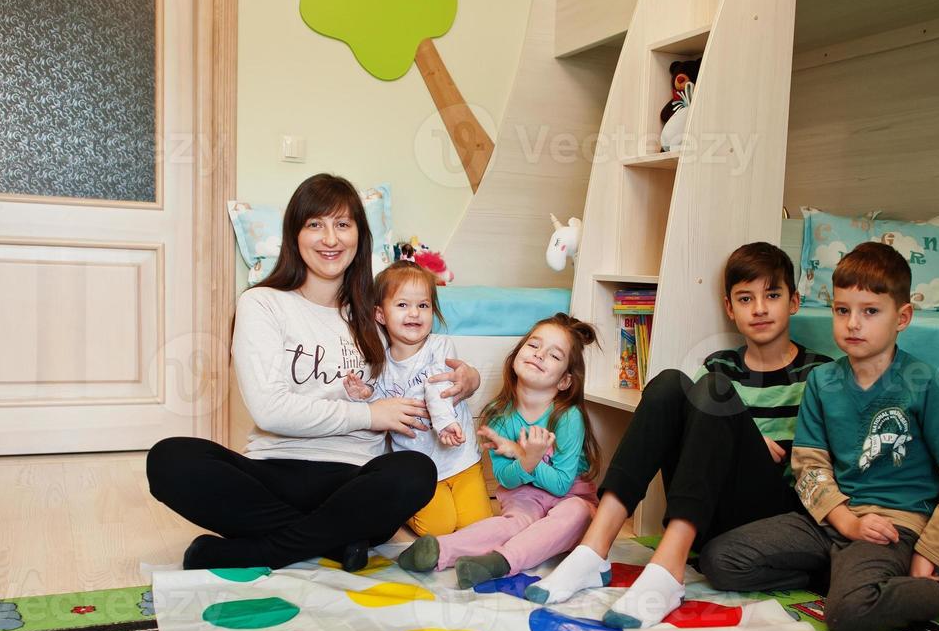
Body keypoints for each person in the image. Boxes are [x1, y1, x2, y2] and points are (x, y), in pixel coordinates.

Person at [699, 241, 939, 631]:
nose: (853, 324)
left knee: (849, 614)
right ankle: (843, 573)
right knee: (719, 559)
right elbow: (809, 466)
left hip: (889, 528)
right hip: (830, 519)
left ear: (903, 316)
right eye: (842, 311)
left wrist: (929, 554)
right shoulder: (823, 381)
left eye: (870, 312)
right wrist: (843, 520)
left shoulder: (921, 382)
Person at [146, 173, 478, 571]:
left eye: (342, 224)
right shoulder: (262, 304)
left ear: (359, 236)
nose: (330, 239)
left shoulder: (375, 314)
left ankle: (261, 551)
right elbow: (270, 410)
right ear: (295, 234)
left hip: (355, 481)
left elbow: (423, 357)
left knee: (414, 473)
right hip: (273, 470)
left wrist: (469, 378)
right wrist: (371, 414)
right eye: (315, 224)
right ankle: (333, 542)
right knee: (170, 459)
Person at [525, 242, 832, 628]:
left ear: (794, 302)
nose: (759, 308)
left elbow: (826, 457)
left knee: (715, 390)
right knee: (670, 383)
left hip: (773, 512)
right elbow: (699, 440)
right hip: (709, 508)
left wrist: (751, 441)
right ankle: (594, 549)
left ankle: (667, 572)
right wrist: (740, 433)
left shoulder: (820, 374)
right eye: (745, 298)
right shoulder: (720, 365)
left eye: (772, 295)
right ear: (729, 307)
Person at [396, 313, 601, 589]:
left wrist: (523, 455)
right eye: (533, 345)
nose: (539, 355)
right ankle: (439, 550)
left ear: (565, 381)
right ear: (517, 353)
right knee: (513, 523)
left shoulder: (567, 416)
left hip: (569, 496)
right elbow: (506, 480)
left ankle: (501, 561)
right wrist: (524, 462)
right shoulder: (498, 416)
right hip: (524, 496)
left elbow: (562, 485)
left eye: (554, 355)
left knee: (576, 513)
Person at [343, 260, 492, 538]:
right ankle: (403, 510)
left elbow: (439, 387)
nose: (414, 313)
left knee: (478, 527)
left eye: (423, 306)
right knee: (438, 528)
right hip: (420, 469)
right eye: (402, 305)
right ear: (380, 315)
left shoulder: (439, 346)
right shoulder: (380, 361)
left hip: (459, 458)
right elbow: (380, 404)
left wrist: (446, 423)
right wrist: (364, 395)